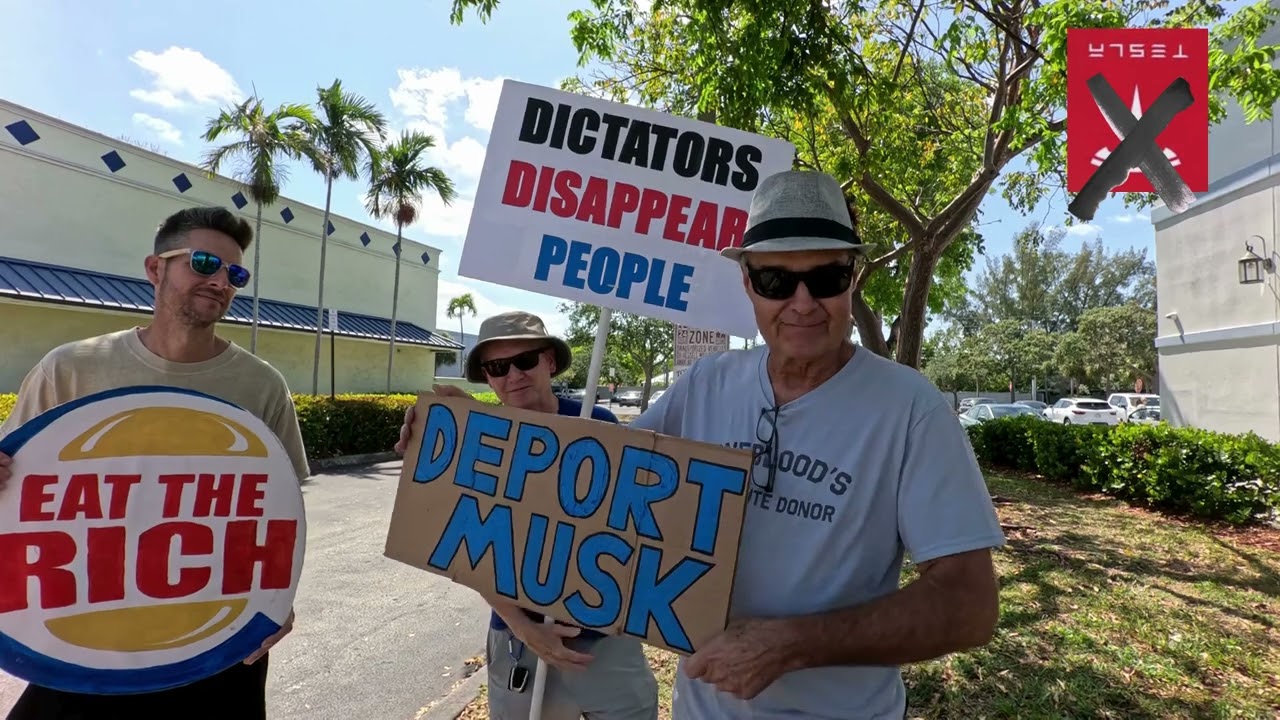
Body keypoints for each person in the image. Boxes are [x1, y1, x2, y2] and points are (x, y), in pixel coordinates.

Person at [398, 170, 1004, 718]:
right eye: (775, 279)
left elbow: (970, 605)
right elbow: (576, 482)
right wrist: (468, 435)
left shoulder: (911, 408)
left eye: (825, 278)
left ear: (853, 276)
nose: (801, 303)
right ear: (747, 283)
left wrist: (792, 645)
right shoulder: (708, 382)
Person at [0, 206, 308, 720]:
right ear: (155, 268)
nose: (220, 281)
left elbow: (275, 510)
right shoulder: (71, 368)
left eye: (235, 273)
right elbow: (16, 495)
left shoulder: (262, 385)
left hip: (217, 646)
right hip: (86, 638)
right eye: (203, 262)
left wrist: (277, 601)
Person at [395, 310, 659, 720]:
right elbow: (468, 549)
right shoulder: (473, 433)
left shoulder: (598, 422)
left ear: (550, 362)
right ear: (486, 376)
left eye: (525, 360)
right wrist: (524, 628)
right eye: (498, 367)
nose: (513, 375)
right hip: (518, 639)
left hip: (605, 640)